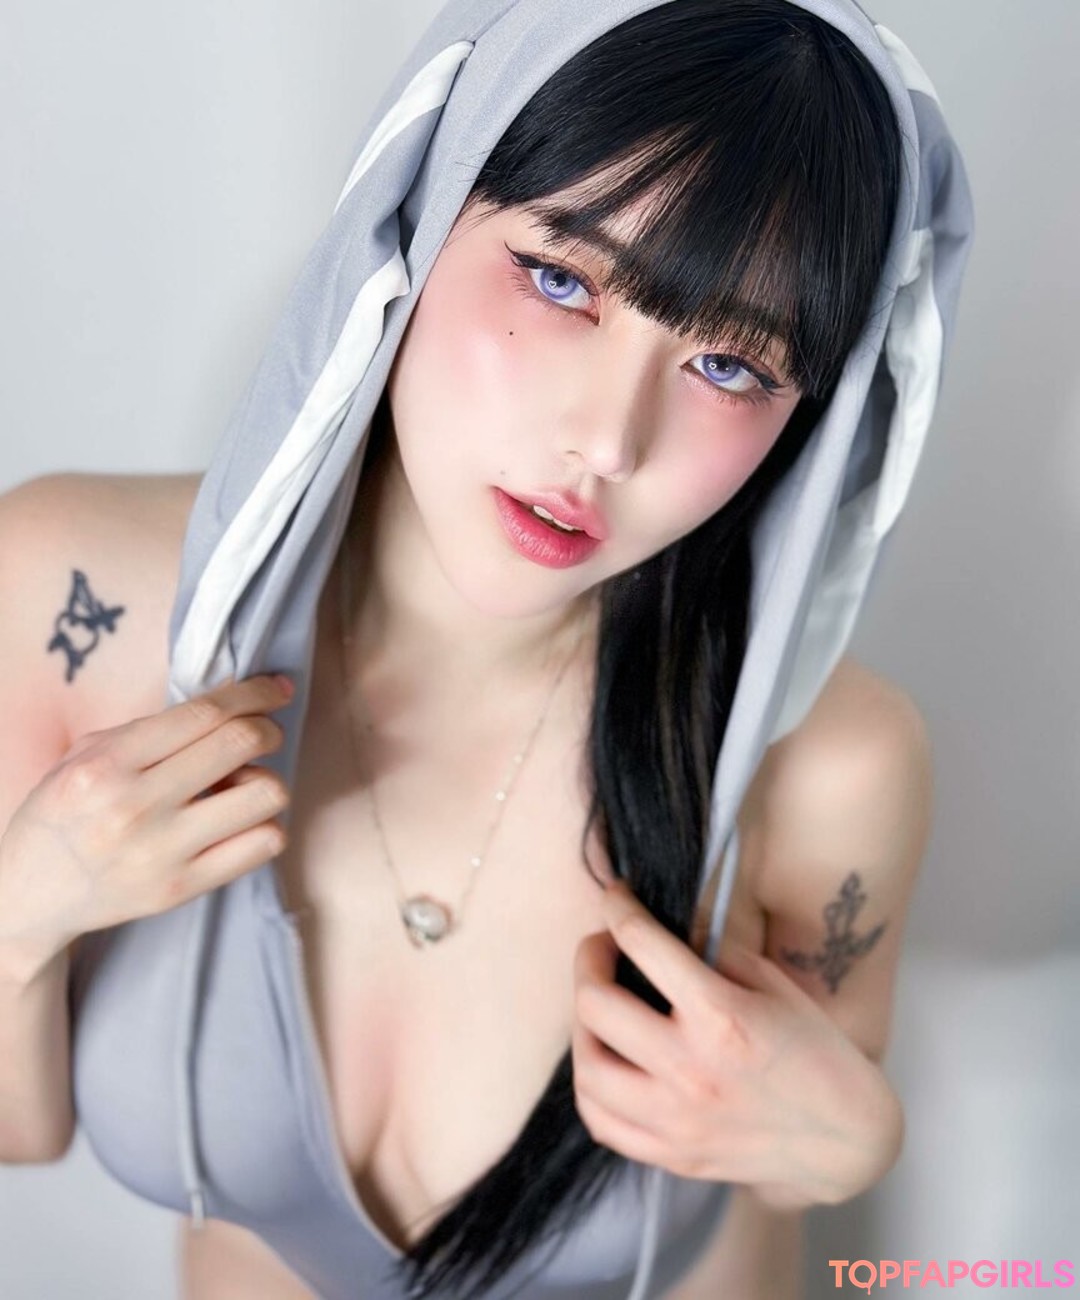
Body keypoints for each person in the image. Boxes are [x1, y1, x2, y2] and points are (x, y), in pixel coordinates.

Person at [0, 1, 973, 1298]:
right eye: (563, 280)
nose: (606, 442)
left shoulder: (826, 767)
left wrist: (856, 1143)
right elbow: (20, 1131)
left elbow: (793, 1172)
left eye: (731, 366)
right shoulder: (75, 596)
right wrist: (19, 915)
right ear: (417, 207)